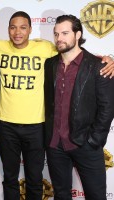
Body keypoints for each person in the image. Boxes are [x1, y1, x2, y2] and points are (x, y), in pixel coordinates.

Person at [0, 11, 114, 200]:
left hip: (36, 126)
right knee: (9, 178)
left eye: (23, 27)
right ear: (8, 30)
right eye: (13, 27)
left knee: (35, 179)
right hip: (7, 125)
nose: (17, 32)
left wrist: (106, 60)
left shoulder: (47, 49)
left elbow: (78, 55)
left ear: (30, 30)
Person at [44, 14, 114, 200]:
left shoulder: (99, 65)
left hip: (85, 144)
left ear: (78, 35)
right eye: (56, 33)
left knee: (96, 196)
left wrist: (94, 141)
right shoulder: (49, 64)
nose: (59, 38)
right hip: (55, 145)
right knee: (61, 195)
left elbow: (107, 108)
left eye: (65, 33)